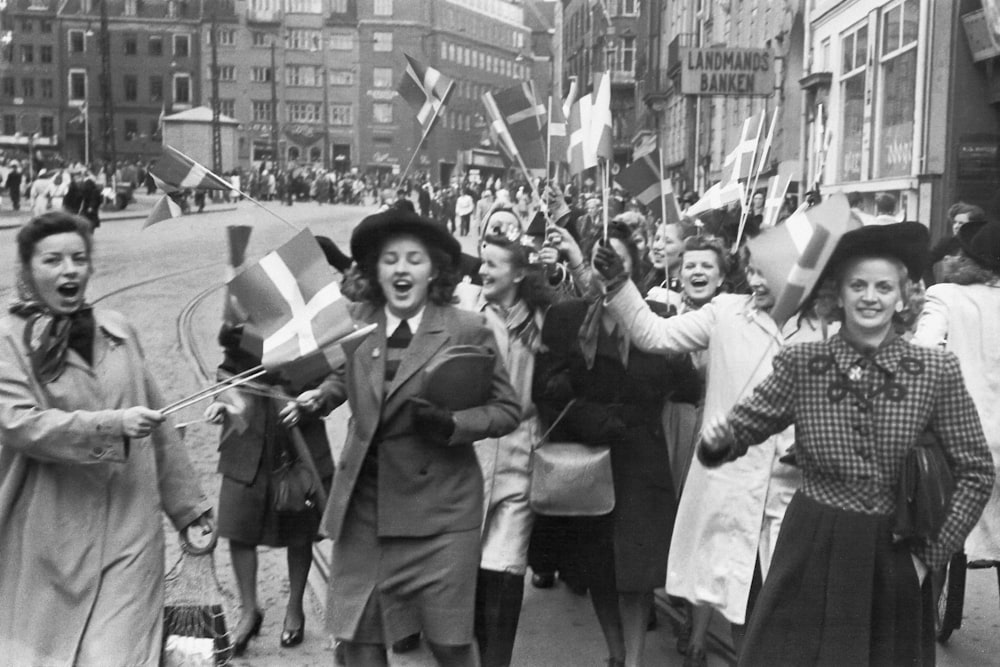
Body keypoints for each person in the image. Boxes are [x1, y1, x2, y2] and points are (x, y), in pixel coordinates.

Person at [699, 221, 994, 666]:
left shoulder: (936, 371)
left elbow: (976, 471)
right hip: (809, 545)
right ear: (837, 294)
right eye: (858, 285)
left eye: (883, 286)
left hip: (893, 551)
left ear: (904, 296)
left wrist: (929, 558)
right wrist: (719, 439)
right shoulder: (803, 363)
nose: (870, 297)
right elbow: (744, 428)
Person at [281, 209, 520, 667]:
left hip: (441, 515)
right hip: (366, 512)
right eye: (391, 259)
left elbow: (507, 410)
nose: (402, 269)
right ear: (375, 268)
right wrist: (321, 397)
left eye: (414, 258)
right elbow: (343, 378)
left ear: (435, 270)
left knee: (450, 645)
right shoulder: (353, 323)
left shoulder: (466, 328)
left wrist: (454, 425)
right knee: (356, 641)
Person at [594, 232, 833, 667]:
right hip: (730, 487)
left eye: (768, 272)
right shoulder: (726, 312)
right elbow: (655, 334)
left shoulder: (826, 330)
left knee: (784, 611)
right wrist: (618, 285)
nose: (757, 281)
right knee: (743, 605)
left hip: (794, 497)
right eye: (753, 270)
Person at [0, 211, 214, 665]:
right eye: (53, 260)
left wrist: (187, 509)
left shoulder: (118, 331)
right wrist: (111, 425)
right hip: (47, 532)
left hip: (129, 527)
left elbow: (161, 431)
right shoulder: (8, 341)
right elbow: (17, 423)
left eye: (78, 258)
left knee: (118, 657)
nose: (69, 270)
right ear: (27, 271)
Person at [533, 223, 677, 667]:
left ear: (632, 270)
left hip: (640, 459)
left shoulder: (656, 321)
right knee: (598, 570)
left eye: (616, 262)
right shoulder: (566, 317)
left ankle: (631, 660)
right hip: (588, 458)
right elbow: (545, 389)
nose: (605, 270)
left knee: (634, 573)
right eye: (599, 261)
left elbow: (680, 383)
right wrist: (590, 415)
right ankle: (615, 652)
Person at [202, 324, 335, 654]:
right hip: (244, 432)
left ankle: (295, 608)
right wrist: (224, 401)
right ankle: (249, 610)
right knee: (237, 524)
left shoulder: (306, 313)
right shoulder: (245, 305)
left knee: (300, 527)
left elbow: (331, 377)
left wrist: (311, 401)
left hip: (294, 430)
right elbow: (228, 371)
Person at [473, 234, 555, 667]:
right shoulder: (469, 315)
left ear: (519, 273)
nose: (483, 271)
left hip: (522, 453)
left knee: (506, 566)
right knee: (468, 566)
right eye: (482, 263)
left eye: (493, 264)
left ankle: (496, 661)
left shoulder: (542, 318)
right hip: (472, 456)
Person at [913, 219, 1000, 567]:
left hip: (962, 441)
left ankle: (927, 615)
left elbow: (924, 353)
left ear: (966, 258)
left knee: (939, 539)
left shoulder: (944, 296)